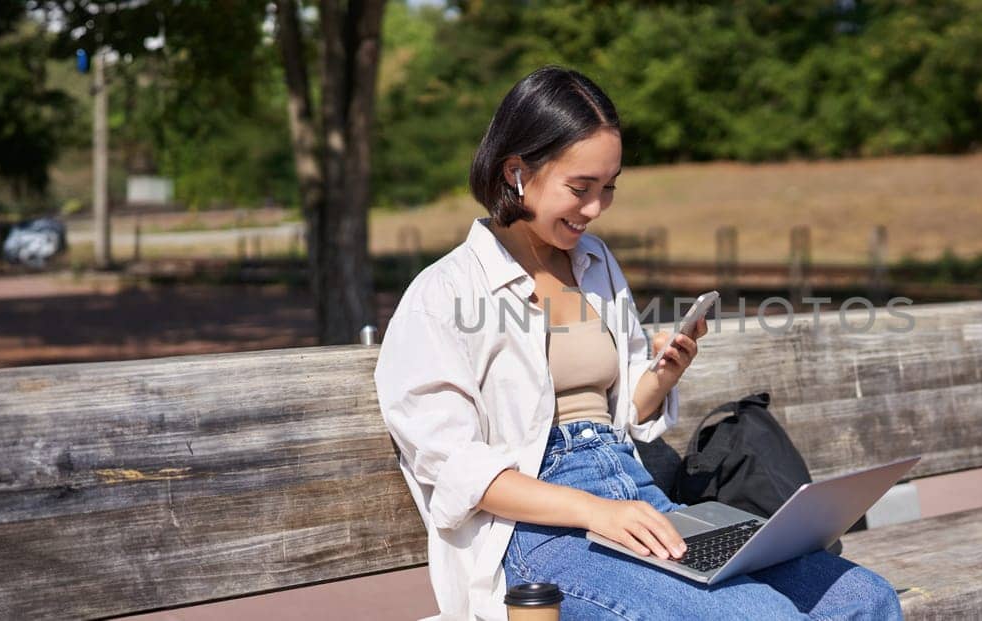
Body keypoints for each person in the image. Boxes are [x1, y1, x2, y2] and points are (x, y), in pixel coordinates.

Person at [374, 66, 904, 620]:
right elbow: (457, 469)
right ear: (516, 172)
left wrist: (663, 374)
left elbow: (623, 414)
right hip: (536, 538)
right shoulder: (445, 292)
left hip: (636, 496)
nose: (596, 208)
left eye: (608, 188)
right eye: (580, 189)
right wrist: (593, 511)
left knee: (862, 600)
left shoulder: (595, 262)